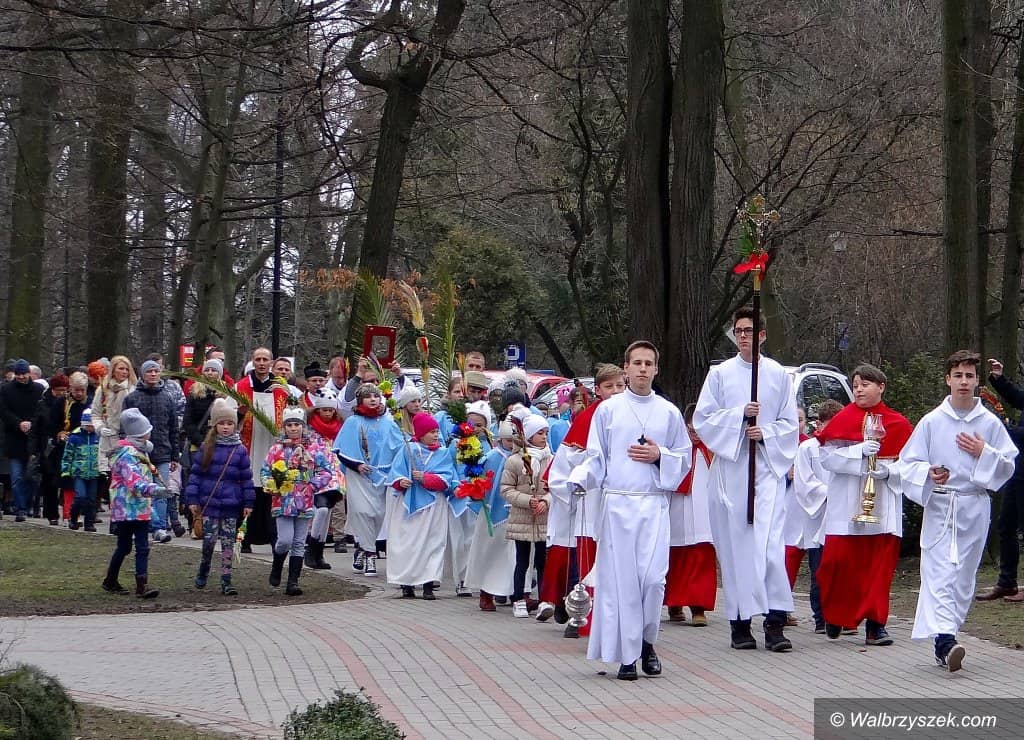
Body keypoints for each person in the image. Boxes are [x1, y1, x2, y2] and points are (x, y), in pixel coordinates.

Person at [567, 341, 690, 680]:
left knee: (652, 581)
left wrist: (660, 456)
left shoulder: (668, 412)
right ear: (626, 368)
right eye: (637, 362)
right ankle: (628, 655)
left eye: (649, 363)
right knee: (624, 584)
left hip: (653, 504)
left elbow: (684, 458)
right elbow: (597, 457)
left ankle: (647, 641)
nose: (642, 369)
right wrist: (580, 479)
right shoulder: (608, 410)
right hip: (618, 504)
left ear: (656, 369)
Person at [896, 351, 1017, 671]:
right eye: (958, 375)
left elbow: (1007, 465)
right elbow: (907, 463)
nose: (964, 382)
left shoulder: (989, 423)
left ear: (977, 382)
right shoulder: (932, 421)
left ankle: (945, 637)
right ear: (948, 379)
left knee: (963, 578)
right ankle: (946, 641)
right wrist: (928, 473)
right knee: (939, 573)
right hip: (941, 505)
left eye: (969, 376)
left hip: (973, 506)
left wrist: (984, 452)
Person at [693, 307, 800, 652]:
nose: (742, 336)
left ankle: (774, 621)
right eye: (738, 331)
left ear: (762, 335)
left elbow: (790, 425)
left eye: (749, 331)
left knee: (769, 548)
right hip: (733, 471)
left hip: (766, 470)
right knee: (737, 549)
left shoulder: (778, 375)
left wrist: (764, 432)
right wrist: (739, 416)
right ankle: (740, 624)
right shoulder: (720, 374)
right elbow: (704, 419)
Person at [815, 363, 913, 645]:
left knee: (877, 570)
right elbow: (827, 459)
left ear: (881, 387)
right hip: (846, 505)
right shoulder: (842, 419)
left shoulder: (898, 424)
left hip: (883, 506)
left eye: (865, 384)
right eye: (855, 385)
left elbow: (911, 464)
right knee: (836, 565)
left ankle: (875, 626)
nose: (858, 389)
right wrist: (858, 451)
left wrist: (888, 472)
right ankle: (835, 615)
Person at [542, 363, 626, 638]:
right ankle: (583, 616)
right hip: (591, 503)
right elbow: (564, 466)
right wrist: (575, 488)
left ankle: (620, 618)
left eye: (620, 385)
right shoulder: (586, 419)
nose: (616, 391)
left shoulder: (634, 415)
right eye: (609, 386)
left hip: (625, 502)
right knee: (588, 562)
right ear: (598, 390)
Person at [263, 406, 337, 596]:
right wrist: (272, 484)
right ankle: (277, 564)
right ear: (284, 427)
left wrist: (312, 485)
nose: (293, 428)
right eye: (290, 425)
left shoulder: (313, 449)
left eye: (297, 425)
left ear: (303, 426)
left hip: (304, 501)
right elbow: (265, 471)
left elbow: (326, 471)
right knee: (284, 540)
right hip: (283, 501)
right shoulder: (277, 449)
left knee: (298, 542)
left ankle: (293, 581)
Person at [185, 398, 255, 595]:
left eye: (230, 423)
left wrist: (248, 502)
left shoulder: (240, 450)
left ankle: (226, 579)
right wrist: (192, 499)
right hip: (210, 503)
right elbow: (196, 475)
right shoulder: (207, 447)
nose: (226, 427)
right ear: (215, 425)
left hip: (231, 504)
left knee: (228, 543)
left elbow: (246, 478)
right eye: (222, 423)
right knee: (208, 541)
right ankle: (204, 567)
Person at [333, 383, 404, 576]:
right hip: (359, 475)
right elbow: (340, 450)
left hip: (382, 475)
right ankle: (370, 555)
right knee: (362, 512)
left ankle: (362, 548)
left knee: (378, 515)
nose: (373, 399)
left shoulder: (388, 422)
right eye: (368, 396)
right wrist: (356, 465)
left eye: (375, 396)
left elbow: (399, 448)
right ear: (360, 400)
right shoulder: (353, 422)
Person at [388, 413, 458, 599]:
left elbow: (448, 477)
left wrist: (426, 478)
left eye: (436, 431)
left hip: (435, 505)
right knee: (409, 543)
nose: (436, 435)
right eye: (431, 432)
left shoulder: (443, 453)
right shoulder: (408, 449)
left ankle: (429, 583)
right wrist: (401, 481)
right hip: (410, 505)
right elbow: (395, 473)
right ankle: (407, 583)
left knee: (433, 543)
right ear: (420, 433)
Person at [101, 408, 169, 598]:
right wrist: (156, 490)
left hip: (134, 508)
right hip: (129, 508)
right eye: (147, 430)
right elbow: (135, 482)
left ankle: (117, 581)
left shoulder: (137, 451)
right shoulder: (127, 455)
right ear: (140, 433)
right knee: (135, 547)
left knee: (130, 546)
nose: (150, 433)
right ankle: (135, 584)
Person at [790, 399, 845, 633]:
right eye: (829, 424)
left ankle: (842, 616)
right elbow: (804, 482)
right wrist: (831, 493)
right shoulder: (808, 449)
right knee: (819, 570)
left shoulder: (848, 447)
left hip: (842, 517)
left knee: (842, 571)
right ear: (819, 424)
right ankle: (821, 617)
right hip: (818, 515)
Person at [975, 357, 1024, 603]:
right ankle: (1007, 583)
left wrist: (1004, 426)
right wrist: (999, 379)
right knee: (1006, 525)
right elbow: (1019, 398)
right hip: (1018, 471)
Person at [665, 404, 717, 627]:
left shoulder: (712, 450)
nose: (695, 434)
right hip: (678, 507)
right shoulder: (676, 448)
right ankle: (674, 603)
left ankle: (698, 606)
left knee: (702, 554)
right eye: (691, 429)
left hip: (703, 511)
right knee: (675, 555)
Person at [235, 347, 291, 551]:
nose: (261, 363)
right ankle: (244, 539)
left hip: (273, 448)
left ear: (271, 363)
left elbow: (292, 414)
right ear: (253, 361)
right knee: (249, 493)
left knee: (272, 493)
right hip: (248, 447)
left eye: (265, 359)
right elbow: (229, 417)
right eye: (257, 359)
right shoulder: (241, 387)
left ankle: (274, 537)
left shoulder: (282, 388)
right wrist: (240, 414)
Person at [124, 359, 181, 542]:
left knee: (161, 491)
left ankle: (160, 527)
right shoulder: (132, 398)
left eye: (156, 371)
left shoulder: (167, 397)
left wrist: (175, 456)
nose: (153, 374)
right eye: (149, 371)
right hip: (138, 453)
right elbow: (124, 425)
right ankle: (142, 525)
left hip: (162, 451)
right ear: (143, 374)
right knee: (141, 491)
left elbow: (173, 428)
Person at [503, 413, 553, 618]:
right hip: (522, 518)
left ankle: (544, 600)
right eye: (540, 433)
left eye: (546, 433)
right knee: (522, 561)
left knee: (543, 562)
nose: (544, 437)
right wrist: (526, 500)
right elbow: (506, 489)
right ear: (529, 435)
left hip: (543, 518)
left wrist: (545, 501)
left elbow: (556, 488)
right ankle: (518, 598)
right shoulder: (515, 461)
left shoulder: (551, 459)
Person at [465, 420, 518, 610]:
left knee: (516, 555)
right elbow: (477, 481)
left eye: (515, 441)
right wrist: (477, 491)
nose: (512, 445)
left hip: (517, 511)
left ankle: (518, 592)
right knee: (488, 551)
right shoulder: (491, 457)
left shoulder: (523, 457)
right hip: (492, 510)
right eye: (509, 441)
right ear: (500, 439)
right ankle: (486, 592)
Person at [447, 400, 493, 597]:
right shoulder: (456, 444)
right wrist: (455, 485)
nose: (475, 429)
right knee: (462, 540)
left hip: (482, 498)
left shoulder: (490, 445)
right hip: (462, 498)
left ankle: (481, 578)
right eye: (471, 424)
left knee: (479, 539)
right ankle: (462, 578)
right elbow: (448, 466)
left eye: (480, 425)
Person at [304, 388, 347, 569]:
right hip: (316, 473)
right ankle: (311, 547)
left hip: (335, 474)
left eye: (331, 410)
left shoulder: (340, 427)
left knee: (327, 511)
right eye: (324, 410)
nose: (328, 413)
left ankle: (319, 552)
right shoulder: (308, 427)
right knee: (320, 510)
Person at [91, 356, 136, 519]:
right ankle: (112, 511)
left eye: (126, 369)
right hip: (108, 438)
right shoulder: (103, 389)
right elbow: (95, 413)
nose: (124, 372)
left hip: (126, 438)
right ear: (113, 370)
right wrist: (100, 428)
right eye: (121, 368)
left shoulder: (133, 389)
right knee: (108, 476)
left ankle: (124, 511)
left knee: (126, 475)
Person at [0, 359, 44, 521]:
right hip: (14, 439)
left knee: (31, 476)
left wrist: (32, 423)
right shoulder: (6, 390)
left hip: (33, 440)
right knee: (16, 476)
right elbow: (3, 411)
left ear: (28, 373)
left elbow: (41, 411)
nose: (21, 377)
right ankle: (20, 508)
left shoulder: (38, 390)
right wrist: (18, 423)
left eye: (23, 374)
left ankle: (28, 504)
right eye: (18, 374)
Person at [61, 407, 101, 531]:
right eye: (89, 425)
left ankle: (89, 523)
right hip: (78, 473)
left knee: (91, 499)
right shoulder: (75, 437)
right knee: (80, 497)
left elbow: (102, 455)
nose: (91, 428)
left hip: (94, 473)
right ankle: (73, 518)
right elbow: (67, 455)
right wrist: (65, 471)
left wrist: (103, 471)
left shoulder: (98, 437)